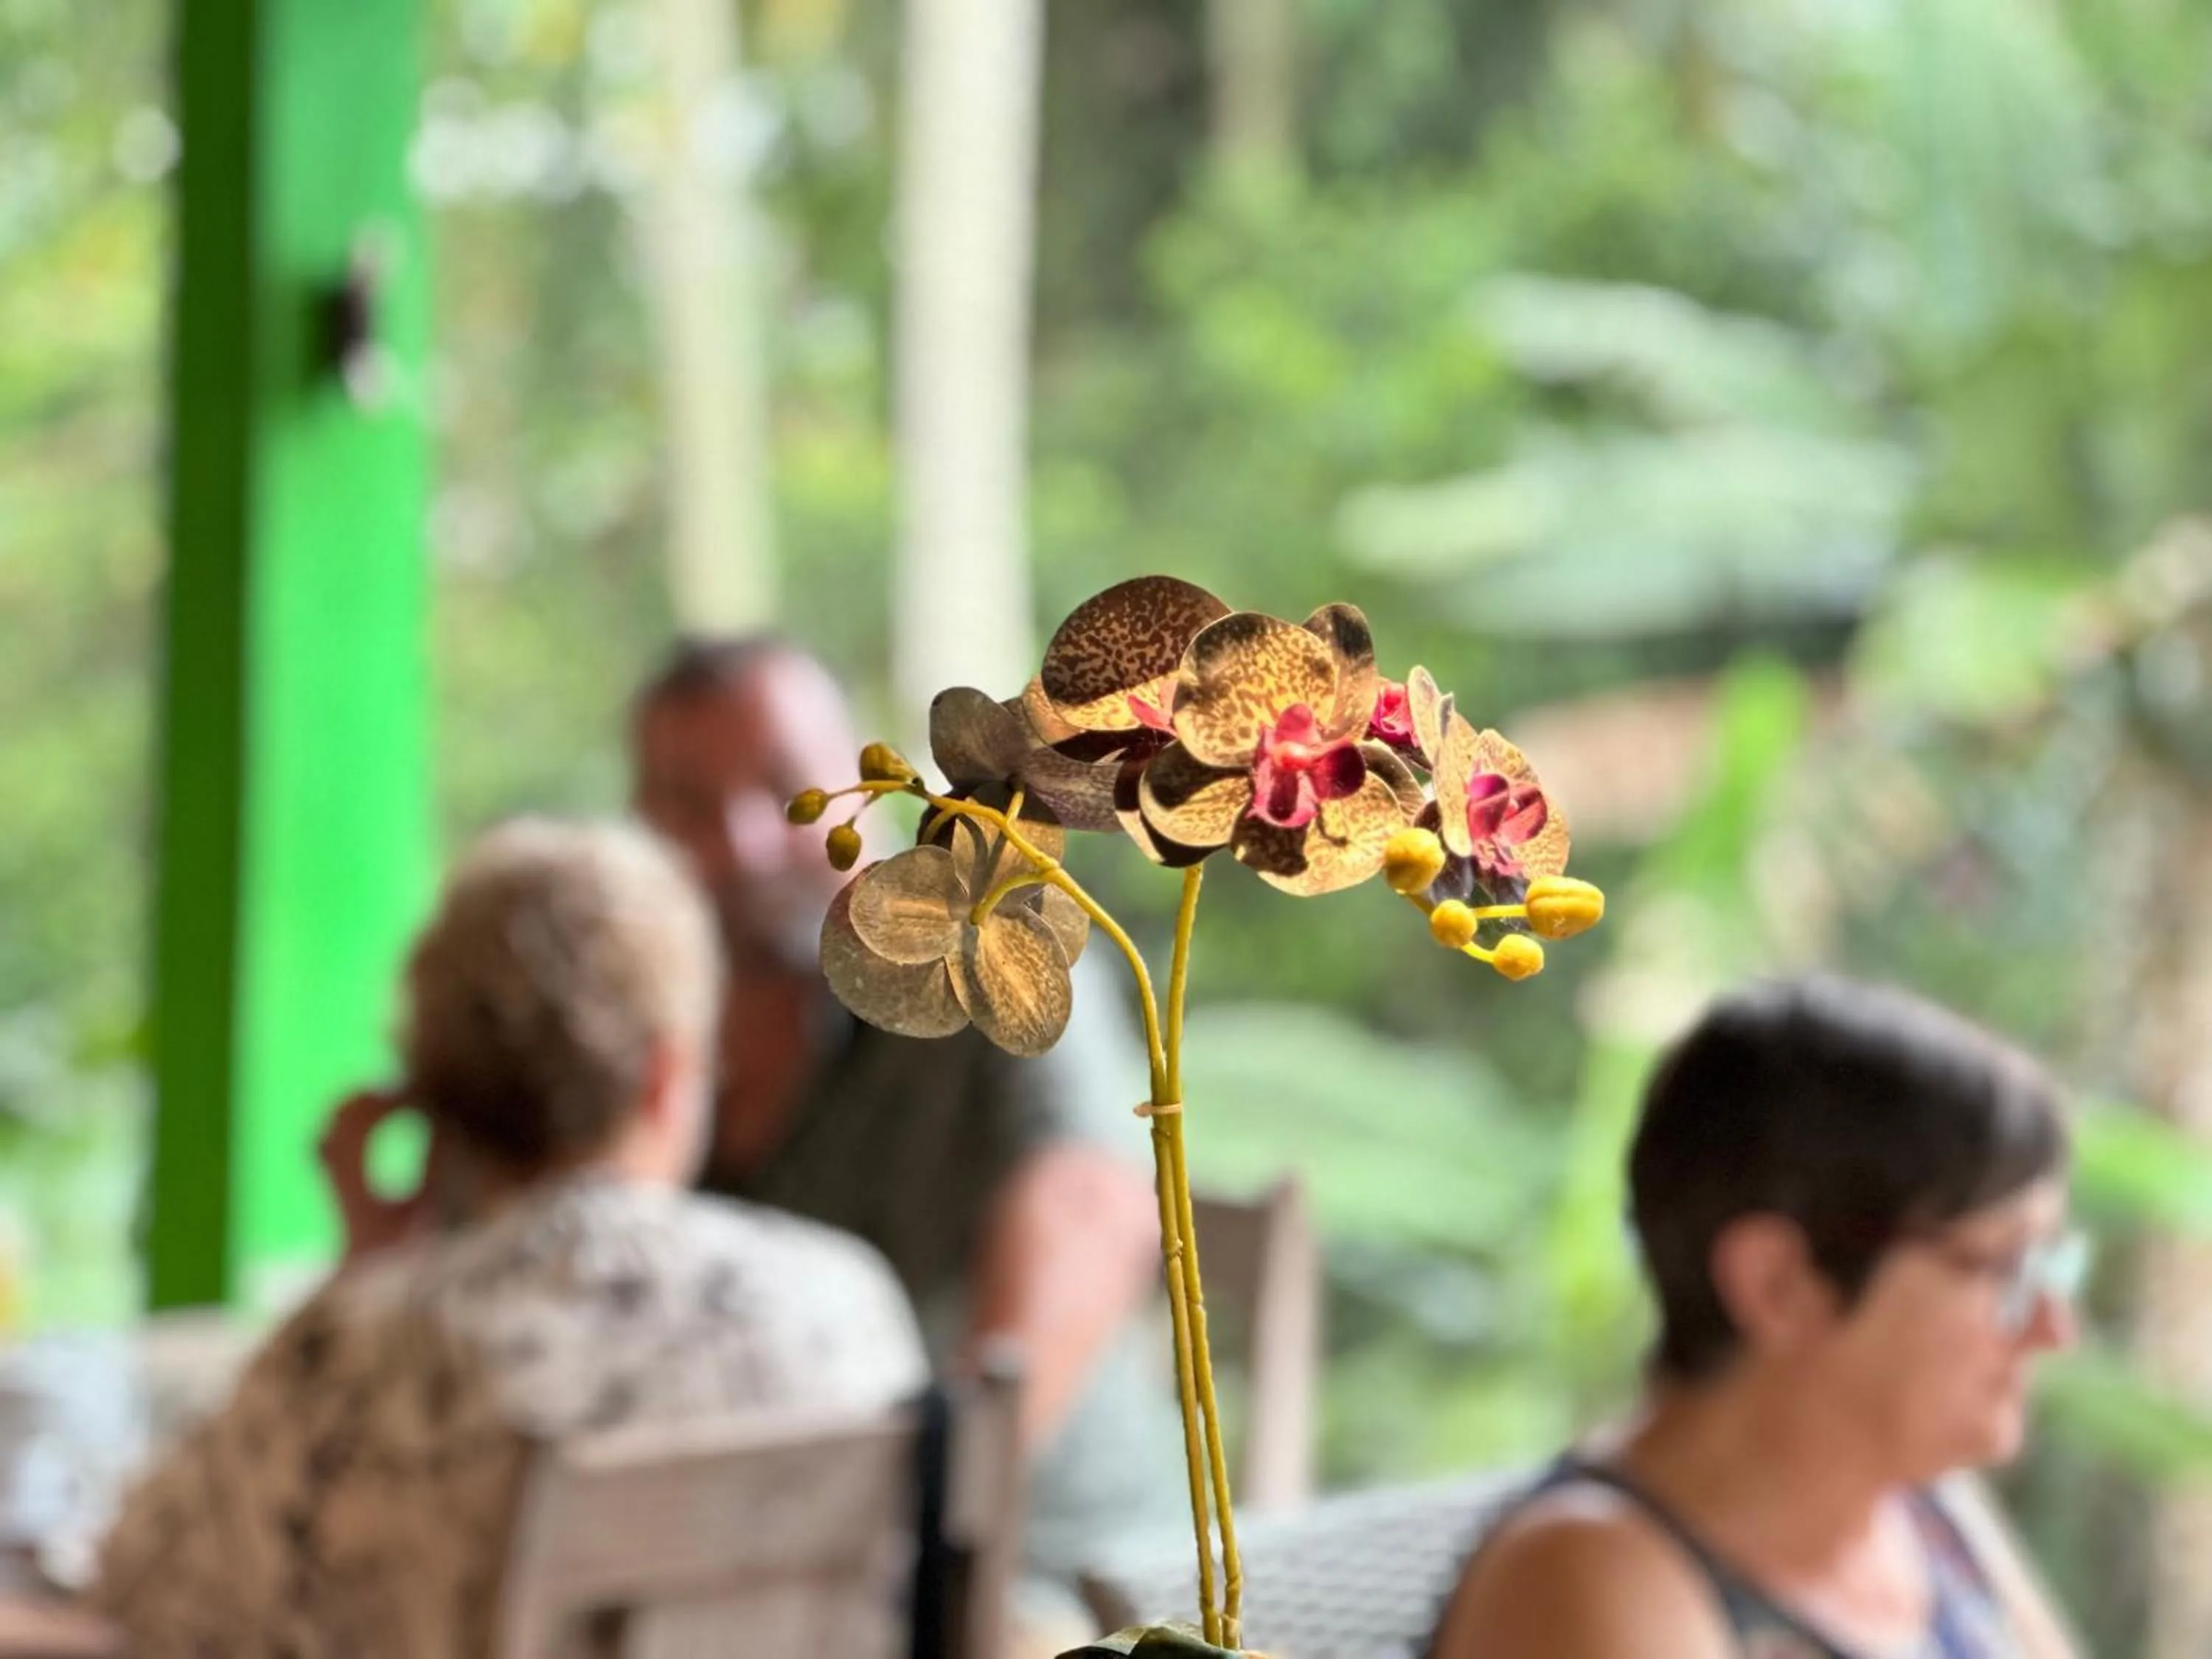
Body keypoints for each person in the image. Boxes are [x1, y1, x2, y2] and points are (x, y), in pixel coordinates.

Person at [88, 820, 926, 1657]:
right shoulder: (839, 1304)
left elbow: (138, 1587)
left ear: (433, 1093)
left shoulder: (347, 1355)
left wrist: (362, 1267)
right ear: (667, 1077)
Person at [629, 636, 1180, 1632]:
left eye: (783, 788)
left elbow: (1092, 1205)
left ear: (865, 785)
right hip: (738, 1583)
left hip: (1033, 1583)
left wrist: (923, 1500)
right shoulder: (637, 1042)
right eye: (688, 804)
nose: (743, 844)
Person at [1430, 975, 2084, 1659]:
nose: (2053, 1329)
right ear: (1778, 1284)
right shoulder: (1593, 1582)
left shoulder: (1920, 1505)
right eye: (2005, 1269)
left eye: (2050, 1265)